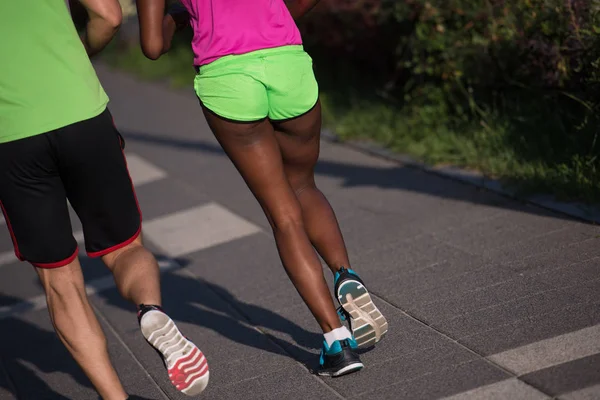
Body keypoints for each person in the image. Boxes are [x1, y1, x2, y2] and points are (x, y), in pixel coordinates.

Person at [136, 0, 388, 377]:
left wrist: (182, 15)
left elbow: (153, 46)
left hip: (228, 77)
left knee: (283, 214)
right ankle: (345, 276)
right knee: (303, 184)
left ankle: (337, 342)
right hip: (286, 61)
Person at [0, 0, 208, 398]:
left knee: (60, 279)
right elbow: (109, 16)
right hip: (81, 112)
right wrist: (79, 53)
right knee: (124, 247)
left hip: (10, 138)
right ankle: (151, 312)